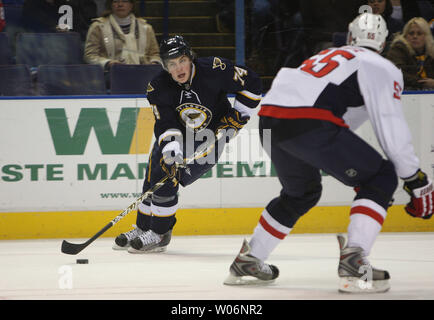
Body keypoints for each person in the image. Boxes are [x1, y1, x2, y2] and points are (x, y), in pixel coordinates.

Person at [224, 13, 433, 293]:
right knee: (381, 176)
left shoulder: (326, 56)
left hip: (270, 121)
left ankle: (250, 259)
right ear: (382, 45)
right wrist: (415, 179)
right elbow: (391, 128)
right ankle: (355, 259)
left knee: (301, 192)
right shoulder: (380, 66)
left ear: (349, 38)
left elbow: (338, 115)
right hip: (309, 122)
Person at [112, 35, 262, 253]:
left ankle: (160, 233)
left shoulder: (215, 68)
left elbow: (253, 82)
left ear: (190, 58)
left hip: (211, 137)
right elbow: (165, 121)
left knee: (166, 175)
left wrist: (240, 115)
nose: (178, 68)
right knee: (153, 175)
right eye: (172, 64)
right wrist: (172, 146)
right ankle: (144, 227)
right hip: (178, 135)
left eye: (181, 60)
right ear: (165, 67)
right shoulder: (158, 87)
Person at [84, 0, 162, 72]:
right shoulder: (98, 26)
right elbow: (90, 56)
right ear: (110, 5)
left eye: (124, 1)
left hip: (142, 73)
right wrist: (108, 63)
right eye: (116, 1)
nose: (120, 4)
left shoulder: (146, 28)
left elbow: (154, 54)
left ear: (131, 5)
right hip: (111, 75)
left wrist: (154, 63)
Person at [387, 17, 434, 90]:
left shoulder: (431, 53)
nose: (415, 37)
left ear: (426, 36)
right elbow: (397, 73)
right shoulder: (398, 50)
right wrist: (423, 83)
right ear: (405, 36)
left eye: (419, 33)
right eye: (411, 33)